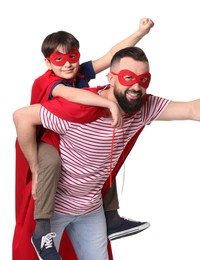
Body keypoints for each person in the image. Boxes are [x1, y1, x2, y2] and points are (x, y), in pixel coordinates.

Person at [13, 46, 200, 260]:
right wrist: (35, 166)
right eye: (129, 78)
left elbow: (194, 109)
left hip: (91, 211)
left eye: (143, 80)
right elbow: (23, 117)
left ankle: (113, 218)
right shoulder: (77, 110)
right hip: (56, 209)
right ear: (111, 78)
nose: (137, 87)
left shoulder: (143, 107)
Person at [13, 20, 154, 260]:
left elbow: (111, 55)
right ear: (48, 62)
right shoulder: (46, 81)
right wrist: (108, 102)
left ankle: (111, 217)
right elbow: (68, 94)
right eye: (59, 59)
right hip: (46, 139)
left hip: (70, 137)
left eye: (72, 57)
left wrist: (140, 32)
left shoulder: (79, 72)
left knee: (104, 157)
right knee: (51, 164)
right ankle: (43, 229)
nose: (68, 64)